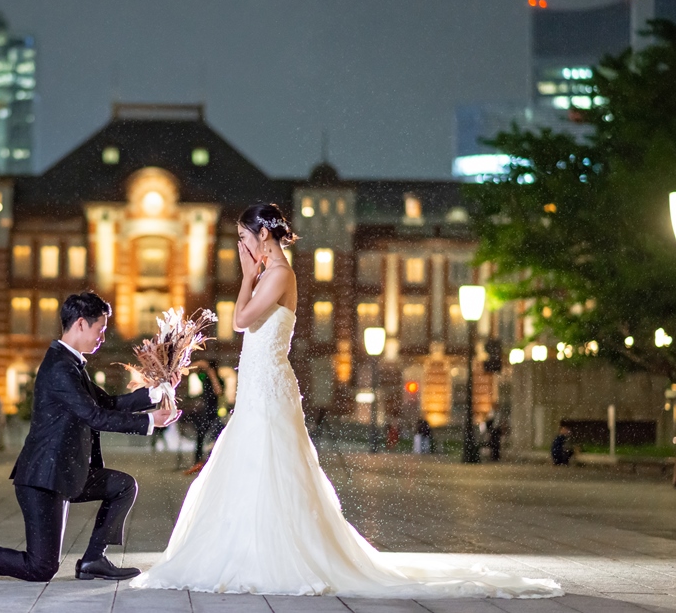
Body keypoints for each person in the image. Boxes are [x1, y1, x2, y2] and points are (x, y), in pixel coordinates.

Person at [131, 203, 562, 599]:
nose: (242, 248)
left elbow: (241, 319)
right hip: (260, 386)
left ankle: (275, 553)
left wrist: (246, 276)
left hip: (269, 388)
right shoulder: (269, 275)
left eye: (244, 238)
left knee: (272, 465)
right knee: (249, 464)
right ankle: (249, 545)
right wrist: (249, 277)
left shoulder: (279, 274)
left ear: (263, 235)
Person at [0, 291, 181, 582]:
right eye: (101, 329)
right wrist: (150, 422)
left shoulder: (71, 363)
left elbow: (107, 404)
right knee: (41, 568)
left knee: (122, 486)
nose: (103, 336)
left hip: (66, 472)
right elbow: (94, 416)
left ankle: (93, 560)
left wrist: (157, 392)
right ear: (81, 324)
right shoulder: (60, 367)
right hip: (43, 480)